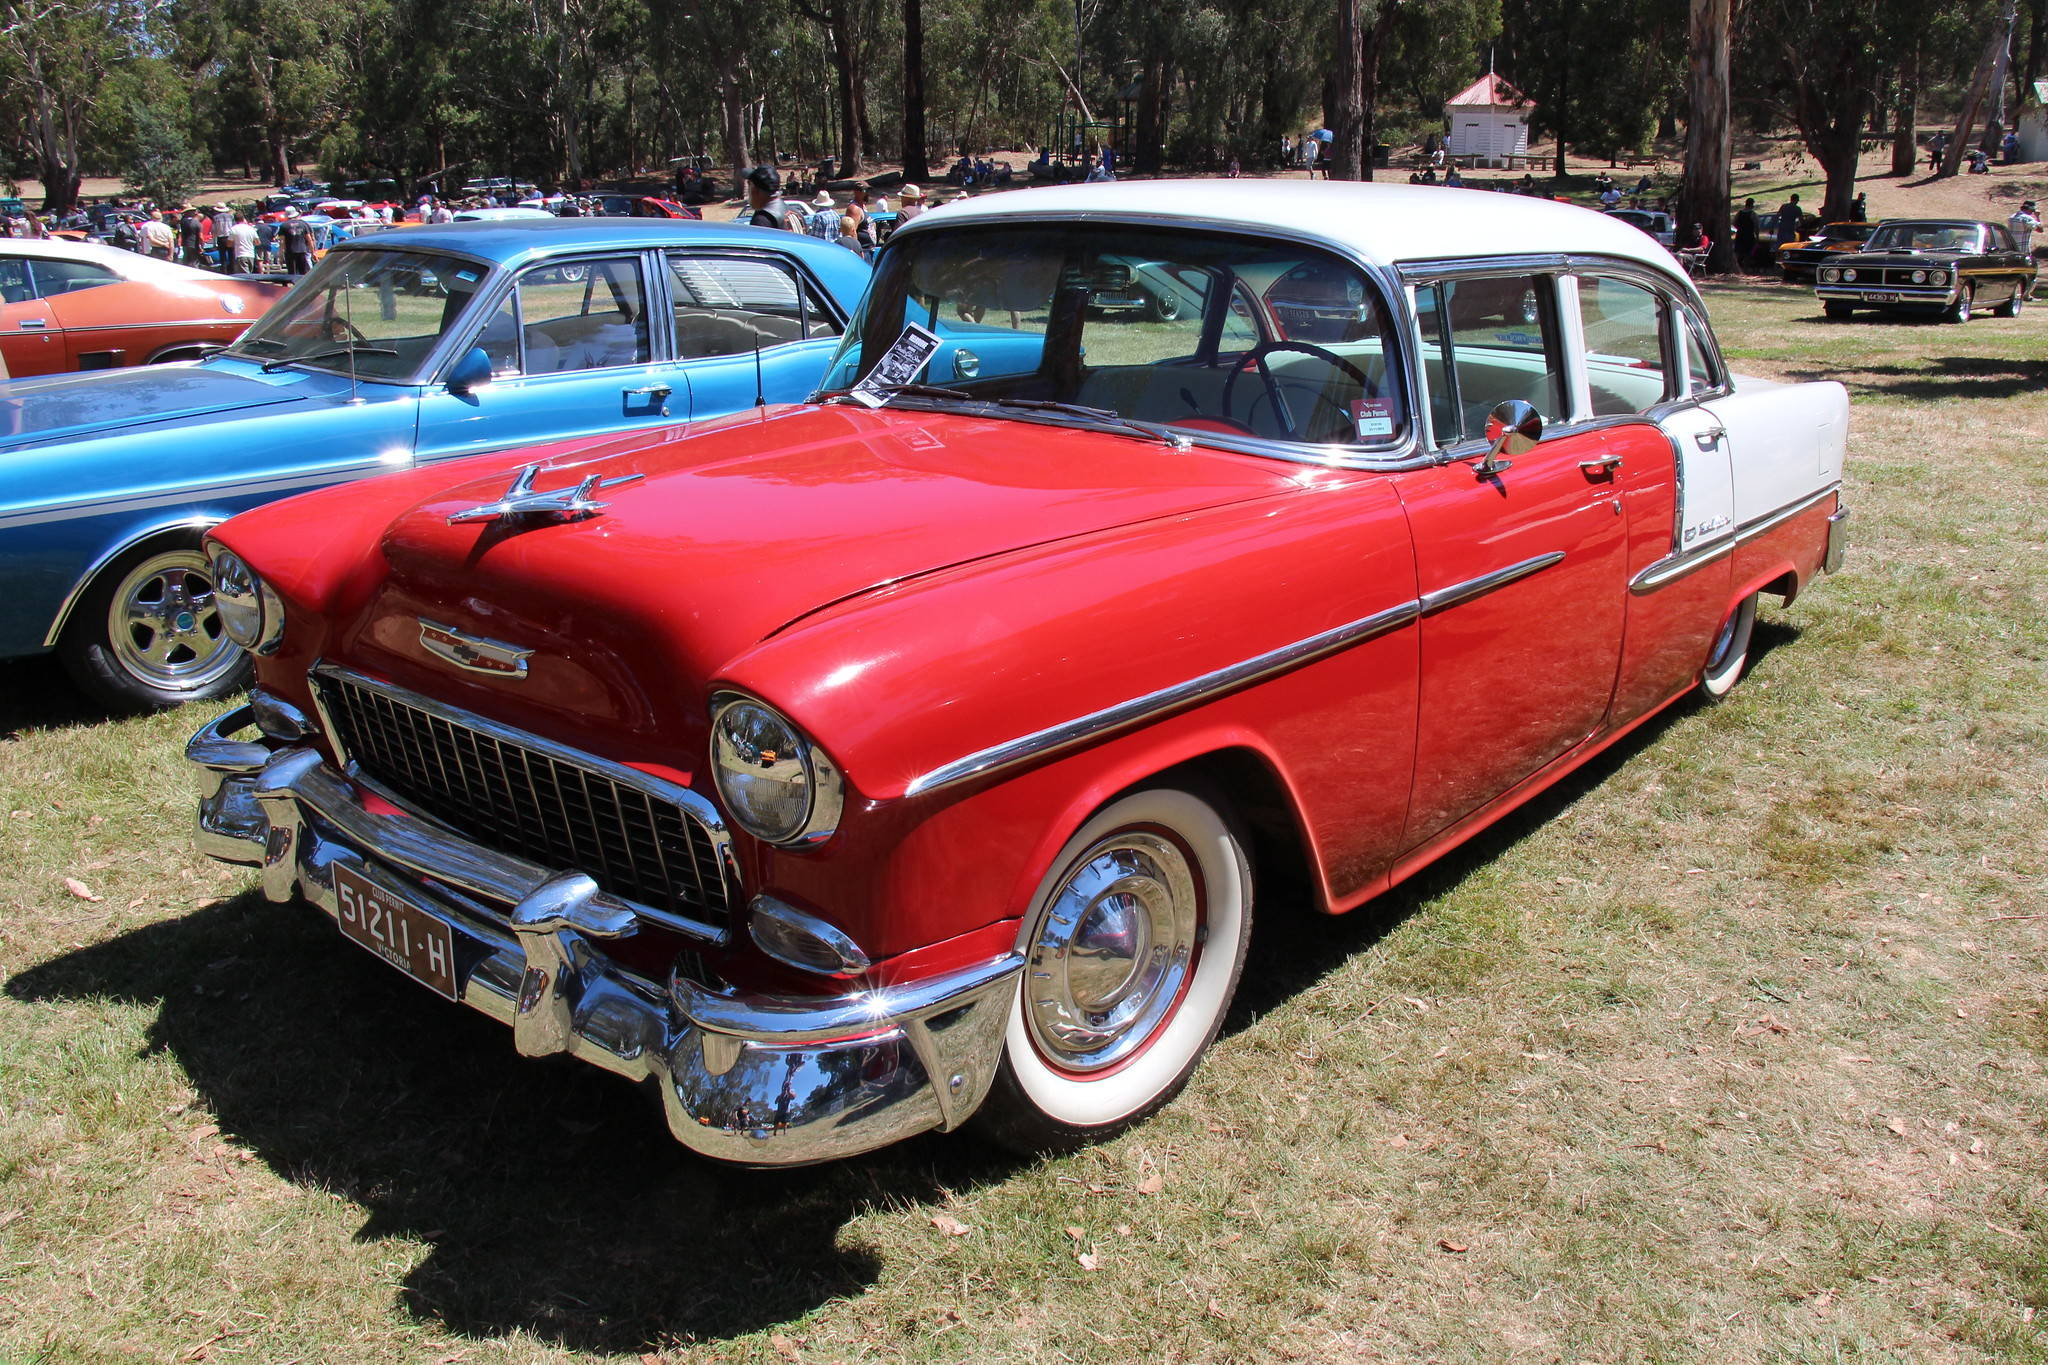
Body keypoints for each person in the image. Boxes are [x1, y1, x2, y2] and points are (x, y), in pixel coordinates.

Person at [281, 209, 316, 276]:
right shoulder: (303, 224)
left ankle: (293, 285)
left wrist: (280, 255)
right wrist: (313, 252)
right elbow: (310, 239)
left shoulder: (284, 226)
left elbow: (282, 242)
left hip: (289, 251)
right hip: (302, 250)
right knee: (303, 272)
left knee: (292, 273)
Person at [1733, 197, 1758, 266]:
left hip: (1740, 234)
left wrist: (1740, 229)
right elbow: (1756, 226)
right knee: (1749, 251)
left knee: (1739, 251)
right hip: (1749, 235)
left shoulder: (1739, 213)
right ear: (1752, 205)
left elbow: (1734, 223)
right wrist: (1757, 236)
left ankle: (1739, 264)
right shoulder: (1752, 214)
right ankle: (1745, 265)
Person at [211, 204, 235, 271]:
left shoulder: (215, 218)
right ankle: (232, 270)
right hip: (230, 237)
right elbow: (234, 228)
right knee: (231, 255)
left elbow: (214, 230)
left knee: (222, 256)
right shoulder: (231, 216)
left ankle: (224, 270)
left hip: (221, 238)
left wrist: (214, 243)